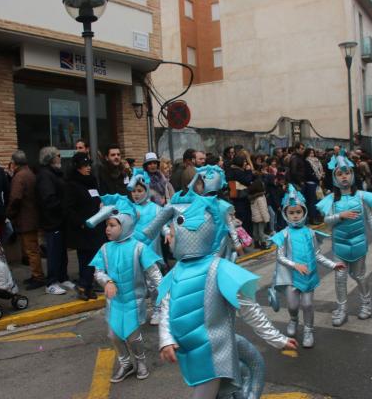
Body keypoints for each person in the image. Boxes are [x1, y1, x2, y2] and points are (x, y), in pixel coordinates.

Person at [142, 193, 297, 399]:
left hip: (215, 353)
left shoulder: (219, 270)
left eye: (171, 230)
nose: (167, 237)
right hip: (191, 352)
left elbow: (249, 309)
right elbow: (167, 307)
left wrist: (278, 339)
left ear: (189, 231)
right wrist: (166, 339)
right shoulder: (177, 271)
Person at [88, 194, 163, 382]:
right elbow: (98, 272)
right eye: (107, 225)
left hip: (134, 301)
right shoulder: (105, 249)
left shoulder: (139, 248)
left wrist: (164, 294)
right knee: (113, 335)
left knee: (132, 336)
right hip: (114, 302)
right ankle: (126, 363)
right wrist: (108, 282)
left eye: (112, 225)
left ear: (126, 224)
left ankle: (141, 361)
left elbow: (154, 274)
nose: (107, 229)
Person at [316, 150, 372, 327]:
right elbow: (327, 220)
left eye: (347, 173)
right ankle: (341, 310)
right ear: (335, 178)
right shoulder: (331, 199)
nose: (344, 177)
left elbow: (371, 218)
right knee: (340, 279)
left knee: (360, 276)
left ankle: (366, 304)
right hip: (340, 246)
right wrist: (341, 215)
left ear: (352, 174)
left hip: (359, 245)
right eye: (339, 174)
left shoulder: (361, 196)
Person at [269, 185, 341, 347]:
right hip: (290, 277)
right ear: (285, 214)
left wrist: (333, 265)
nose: (295, 216)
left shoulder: (311, 233)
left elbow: (317, 254)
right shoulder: (283, 235)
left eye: (298, 212)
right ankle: (293, 319)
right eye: (291, 213)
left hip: (308, 275)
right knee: (293, 305)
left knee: (307, 304)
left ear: (304, 212)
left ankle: (309, 330)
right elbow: (280, 257)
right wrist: (295, 265)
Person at [127, 169, 166, 324]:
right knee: (137, 286)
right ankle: (139, 313)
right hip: (133, 252)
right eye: (134, 191)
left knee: (154, 285)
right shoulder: (129, 209)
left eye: (140, 190)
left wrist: (169, 233)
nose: (136, 194)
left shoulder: (156, 208)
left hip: (151, 252)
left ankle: (158, 310)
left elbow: (163, 225)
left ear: (147, 190)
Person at [64, 152, 105, 300]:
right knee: (85, 258)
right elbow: (69, 209)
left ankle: (87, 286)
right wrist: (81, 223)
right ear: (77, 168)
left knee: (95, 258)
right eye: (85, 166)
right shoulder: (71, 185)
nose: (88, 168)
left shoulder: (92, 181)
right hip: (83, 228)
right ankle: (84, 285)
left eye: (89, 165)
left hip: (96, 226)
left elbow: (97, 197)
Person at [36, 146, 74, 295]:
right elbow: (49, 199)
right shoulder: (45, 175)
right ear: (51, 158)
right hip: (52, 221)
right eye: (58, 155)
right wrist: (64, 206)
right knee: (53, 252)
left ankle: (63, 277)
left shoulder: (57, 173)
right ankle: (51, 282)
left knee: (62, 251)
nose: (60, 157)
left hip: (61, 220)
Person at [6, 150, 45, 290]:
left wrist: (9, 213)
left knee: (31, 250)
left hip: (26, 218)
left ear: (14, 163)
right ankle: (36, 274)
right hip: (32, 217)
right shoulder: (29, 173)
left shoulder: (19, 177)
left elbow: (15, 197)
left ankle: (38, 276)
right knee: (32, 248)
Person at [227, 155, 254, 238]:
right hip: (241, 198)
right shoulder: (238, 172)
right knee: (244, 219)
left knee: (239, 217)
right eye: (244, 161)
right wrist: (249, 171)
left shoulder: (230, 170)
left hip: (234, 197)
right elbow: (247, 180)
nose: (245, 163)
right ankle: (245, 238)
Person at [303, 148, 324, 225]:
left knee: (318, 199)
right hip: (311, 183)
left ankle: (317, 216)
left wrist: (321, 178)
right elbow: (308, 174)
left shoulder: (317, 161)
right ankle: (312, 218)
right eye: (310, 153)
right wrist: (318, 180)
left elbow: (321, 171)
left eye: (313, 153)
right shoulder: (306, 161)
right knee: (312, 201)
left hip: (317, 183)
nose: (312, 154)